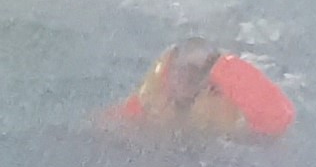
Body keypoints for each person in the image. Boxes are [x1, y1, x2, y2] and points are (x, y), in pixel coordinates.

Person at [106, 39, 292, 139]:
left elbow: (278, 123)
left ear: (208, 77)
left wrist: (226, 69)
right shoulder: (155, 94)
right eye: (178, 70)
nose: (182, 78)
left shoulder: (223, 107)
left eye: (193, 72)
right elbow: (114, 122)